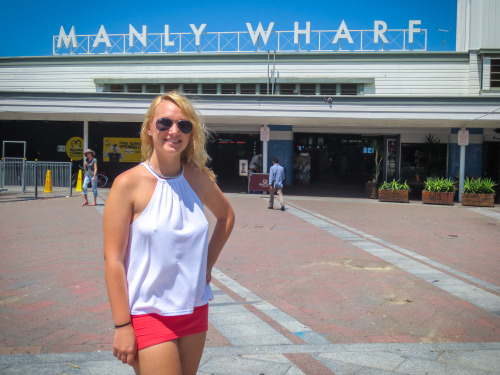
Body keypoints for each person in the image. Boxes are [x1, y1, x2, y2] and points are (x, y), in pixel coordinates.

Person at [103, 92, 235, 375]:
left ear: (191, 134)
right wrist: (122, 325)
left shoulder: (198, 179)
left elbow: (226, 217)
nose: (174, 131)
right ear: (150, 128)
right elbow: (113, 260)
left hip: (194, 308)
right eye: (165, 123)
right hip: (147, 313)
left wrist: (207, 265)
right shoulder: (127, 184)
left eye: (184, 126)